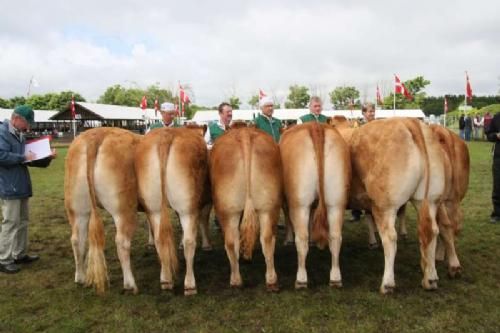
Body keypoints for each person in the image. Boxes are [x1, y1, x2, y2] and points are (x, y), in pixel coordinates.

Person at [0, 105, 56, 273]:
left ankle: (20, 254)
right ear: (16, 119)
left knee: (23, 221)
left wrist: (46, 157)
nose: (28, 127)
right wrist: (23, 157)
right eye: (27, 123)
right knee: (10, 222)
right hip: (9, 185)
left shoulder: (19, 135)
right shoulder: (3, 133)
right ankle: (4, 258)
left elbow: (29, 159)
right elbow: (1, 155)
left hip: (21, 184)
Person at [351, 102, 376, 222]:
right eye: (369, 111)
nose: (371, 113)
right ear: (364, 113)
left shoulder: (378, 124)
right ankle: (356, 211)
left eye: (372, 111)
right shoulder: (359, 126)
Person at [486, 112, 500, 223]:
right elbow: (489, 135)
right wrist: (496, 136)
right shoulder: (496, 117)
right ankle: (497, 213)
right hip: (498, 157)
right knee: (498, 185)